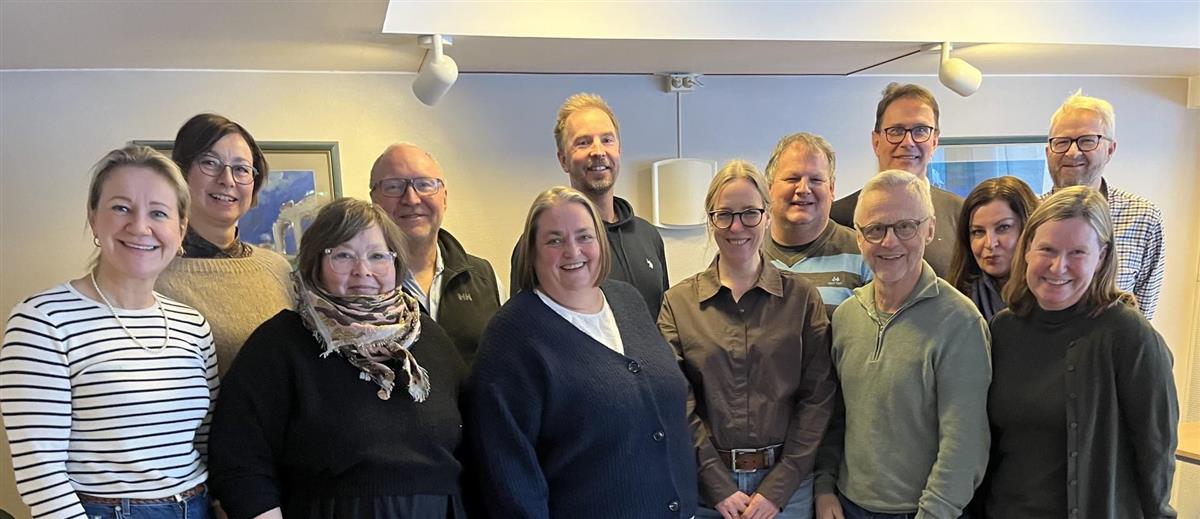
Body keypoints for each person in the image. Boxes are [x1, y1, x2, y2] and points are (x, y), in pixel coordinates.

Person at [208, 198, 468, 519]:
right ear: (316, 262)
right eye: (343, 255)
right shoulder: (280, 344)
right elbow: (239, 458)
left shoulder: (430, 337)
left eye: (377, 256)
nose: (363, 270)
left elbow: (473, 448)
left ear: (396, 262)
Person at [1, 145, 217, 519]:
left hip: (198, 506)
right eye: (121, 208)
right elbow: (41, 473)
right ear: (94, 219)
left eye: (158, 213)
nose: (140, 227)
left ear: (181, 228)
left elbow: (206, 441)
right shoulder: (42, 320)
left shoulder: (193, 325)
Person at [472, 187, 697, 518]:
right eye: (554, 240)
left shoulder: (628, 301)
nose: (572, 251)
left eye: (584, 236)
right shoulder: (512, 336)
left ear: (600, 242)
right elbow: (508, 472)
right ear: (531, 252)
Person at [981, 186, 1178, 518]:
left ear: (1101, 257)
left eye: (1077, 253)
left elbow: (1156, 454)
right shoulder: (1002, 330)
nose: (1058, 267)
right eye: (1047, 249)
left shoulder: (1129, 336)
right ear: (1027, 249)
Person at [659, 160, 835, 519]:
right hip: (708, 493)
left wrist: (777, 488)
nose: (736, 226)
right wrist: (717, 486)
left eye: (750, 213)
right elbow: (675, 401)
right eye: (724, 215)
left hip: (787, 491)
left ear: (767, 216)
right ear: (711, 221)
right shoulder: (678, 304)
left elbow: (817, 398)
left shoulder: (802, 299)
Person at [814, 170, 990, 519]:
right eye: (875, 229)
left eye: (905, 227)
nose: (889, 242)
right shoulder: (847, 316)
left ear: (930, 229)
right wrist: (824, 488)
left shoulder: (960, 322)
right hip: (847, 506)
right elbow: (836, 417)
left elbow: (964, 444)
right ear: (859, 237)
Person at [155, 113, 293, 376]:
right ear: (181, 174)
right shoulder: (150, 273)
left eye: (241, 169)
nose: (227, 180)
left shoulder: (279, 269)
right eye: (210, 163)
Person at [511, 93, 669, 318]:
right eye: (583, 142)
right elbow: (523, 326)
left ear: (619, 150)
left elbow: (661, 324)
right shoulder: (540, 245)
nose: (598, 151)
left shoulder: (647, 236)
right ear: (563, 160)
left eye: (607, 140)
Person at [370, 143, 503, 365]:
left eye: (424, 185)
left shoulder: (483, 277)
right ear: (374, 200)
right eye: (394, 187)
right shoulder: (356, 283)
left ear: (444, 197)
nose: (411, 199)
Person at [1043, 90, 1165, 319]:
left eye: (1087, 141)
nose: (1072, 152)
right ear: (1048, 152)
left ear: (1110, 150)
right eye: (1062, 142)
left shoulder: (1143, 218)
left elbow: (1143, 316)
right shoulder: (1026, 212)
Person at [829, 83, 963, 277]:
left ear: (934, 141)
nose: (908, 142)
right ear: (876, 142)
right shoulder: (837, 218)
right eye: (896, 131)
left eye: (920, 130)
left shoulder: (960, 215)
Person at [762, 132, 871, 316]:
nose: (803, 189)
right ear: (769, 187)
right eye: (792, 179)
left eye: (816, 180)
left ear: (832, 189)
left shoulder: (866, 254)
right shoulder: (746, 252)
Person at [947, 176, 1039, 321]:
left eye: (1003, 228)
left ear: (1029, 229)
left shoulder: (1052, 296)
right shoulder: (953, 301)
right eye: (978, 232)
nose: (990, 243)